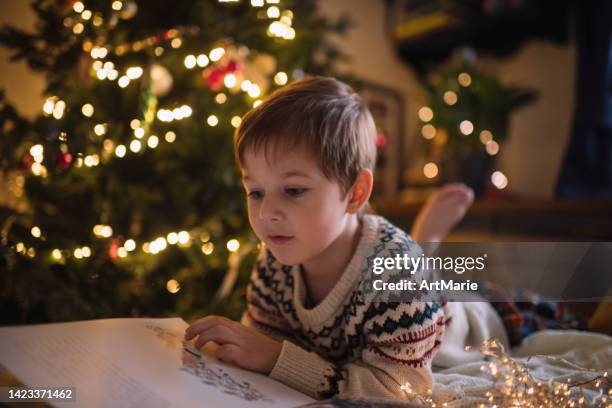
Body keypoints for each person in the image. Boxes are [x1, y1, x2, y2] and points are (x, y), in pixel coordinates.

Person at [185, 77, 450, 403]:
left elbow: (401, 391)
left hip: (467, 321)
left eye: (293, 190)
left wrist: (275, 358)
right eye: (255, 192)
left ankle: (428, 241)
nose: (267, 213)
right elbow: (259, 347)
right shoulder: (273, 264)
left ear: (355, 193)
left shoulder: (398, 275)